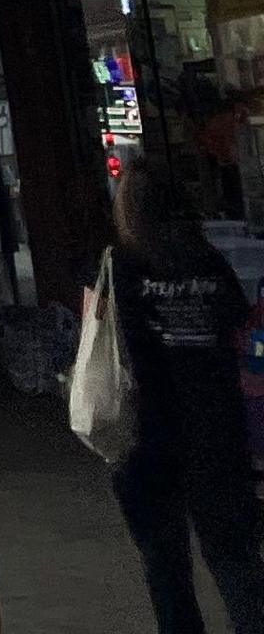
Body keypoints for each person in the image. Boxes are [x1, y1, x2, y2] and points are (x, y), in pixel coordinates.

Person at [94, 163, 264, 634]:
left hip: (149, 435)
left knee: (167, 571)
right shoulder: (208, 260)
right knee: (236, 565)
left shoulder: (122, 264)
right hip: (217, 431)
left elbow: (111, 343)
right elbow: (240, 330)